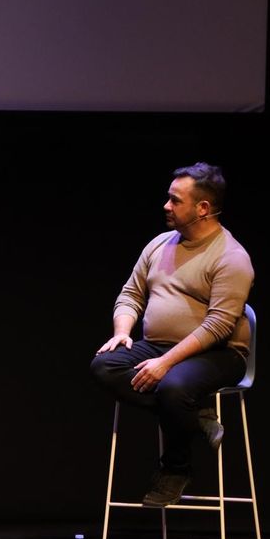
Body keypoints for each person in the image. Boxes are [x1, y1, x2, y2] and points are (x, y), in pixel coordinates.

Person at [90, 163, 253, 507]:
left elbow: (219, 326)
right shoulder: (160, 244)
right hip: (157, 345)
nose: (166, 206)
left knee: (173, 386)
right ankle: (194, 416)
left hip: (219, 353)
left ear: (203, 208)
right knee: (104, 366)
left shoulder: (232, 257)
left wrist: (165, 363)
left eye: (175, 200)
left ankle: (176, 469)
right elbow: (131, 294)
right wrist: (122, 332)